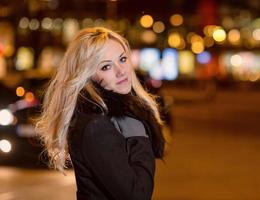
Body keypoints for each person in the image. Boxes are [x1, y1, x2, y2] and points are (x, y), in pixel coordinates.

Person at [35, 27, 166, 200]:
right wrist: (138, 136)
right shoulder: (95, 126)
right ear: (86, 75)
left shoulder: (110, 119)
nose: (121, 70)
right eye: (106, 66)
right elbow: (138, 194)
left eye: (123, 59)